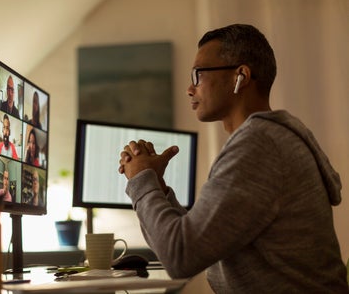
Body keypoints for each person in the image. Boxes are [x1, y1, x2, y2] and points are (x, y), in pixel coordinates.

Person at [118, 24, 347, 292]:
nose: (190, 89)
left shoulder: (259, 146)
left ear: (241, 76)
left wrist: (142, 180)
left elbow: (180, 256)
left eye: (198, 75)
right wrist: (155, 184)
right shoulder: (267, 138)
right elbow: (198, 241)